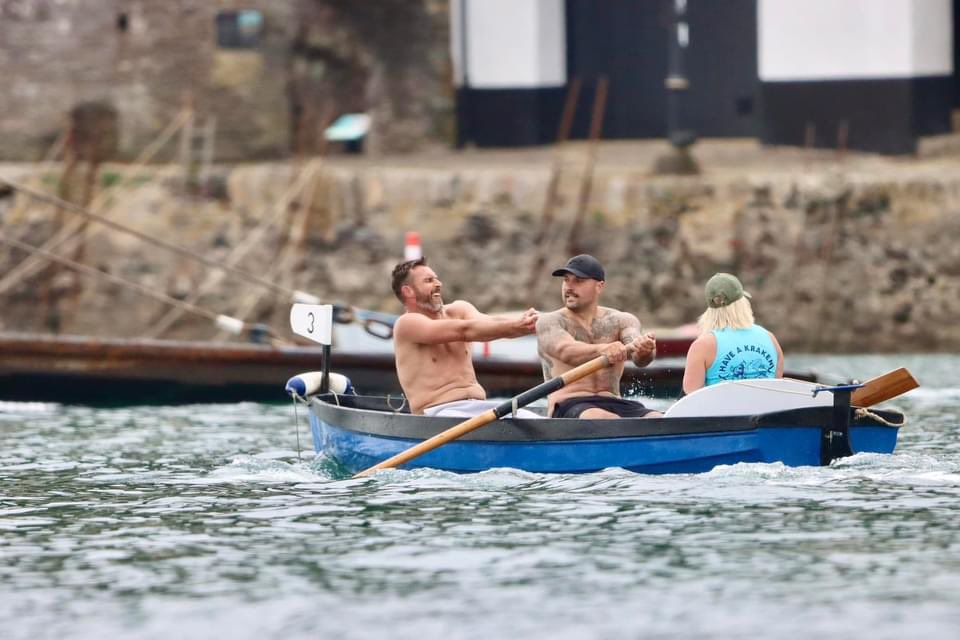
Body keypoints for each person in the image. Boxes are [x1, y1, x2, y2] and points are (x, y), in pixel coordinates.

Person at [391, 257, 540, 416]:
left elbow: (490, 322)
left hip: (480, 407)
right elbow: (464, 330)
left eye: (436, 278)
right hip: (437, 413)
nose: (438, 284)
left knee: (537, 421)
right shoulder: (407, 324)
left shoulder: (460, 309)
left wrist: (526, 322)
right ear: (408, 291)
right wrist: (516, 326)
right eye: (429, 280)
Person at [536, 254, 662, 419]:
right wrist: (604, 349)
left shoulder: (621, 320)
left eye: (578, 281)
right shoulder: (549, 322)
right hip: (568, 404)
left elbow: (640, 358)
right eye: (566, 280)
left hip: (613, 402)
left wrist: (645, 350)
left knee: (657, 419)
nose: (569, 287)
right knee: (605, 419)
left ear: (599, 286)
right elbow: (566, 351)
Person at [681, 272, 784, 395]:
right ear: (743, 302)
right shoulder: (770, 338)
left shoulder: (702, 345)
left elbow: (690, 399)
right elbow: (777, 389)